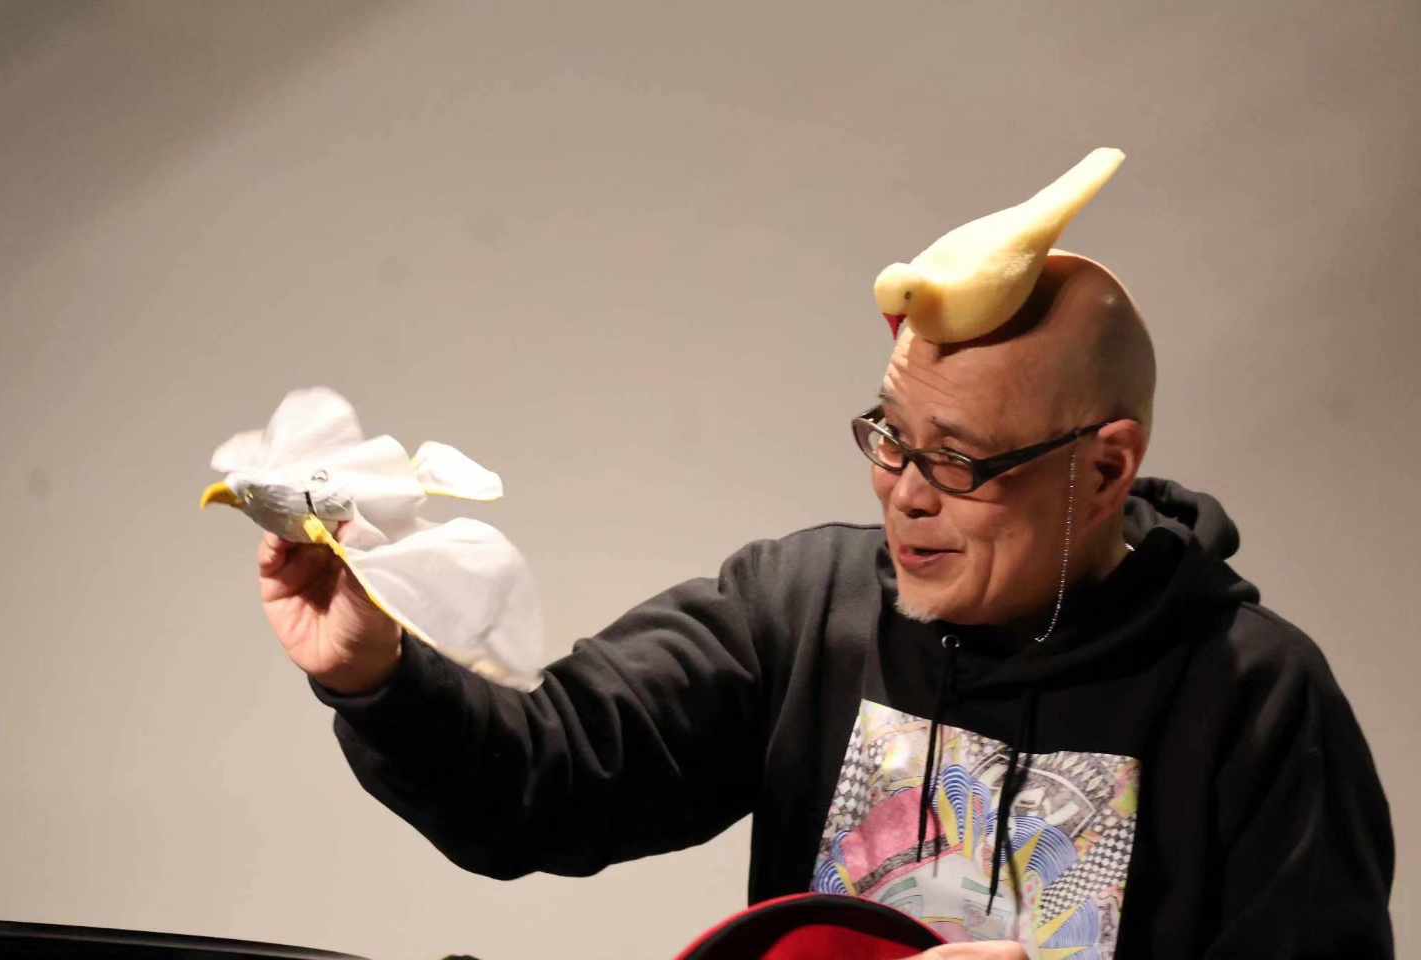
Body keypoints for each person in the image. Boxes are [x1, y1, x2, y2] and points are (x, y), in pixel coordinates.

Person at [255, 253, 1394, 957]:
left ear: (1102, 470)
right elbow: (546, 781)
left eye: (959, 460)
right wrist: (378, 676)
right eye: (891, 437)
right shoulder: (805, 609)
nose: (904, 492)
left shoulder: (1255, 697)